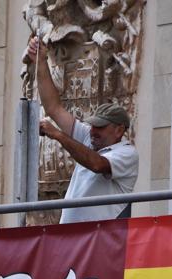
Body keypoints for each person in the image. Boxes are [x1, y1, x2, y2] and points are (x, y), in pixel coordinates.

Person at [27, 37, 139, 223]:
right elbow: (54, 108)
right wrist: (41, 62)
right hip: (74, 237)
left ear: (119, 130)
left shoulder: (127, 153)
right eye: (93, 125)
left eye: (100, 127)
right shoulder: (90, 138)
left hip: (98, 239)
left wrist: (58, 135)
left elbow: (97, 165)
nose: (93, 131)